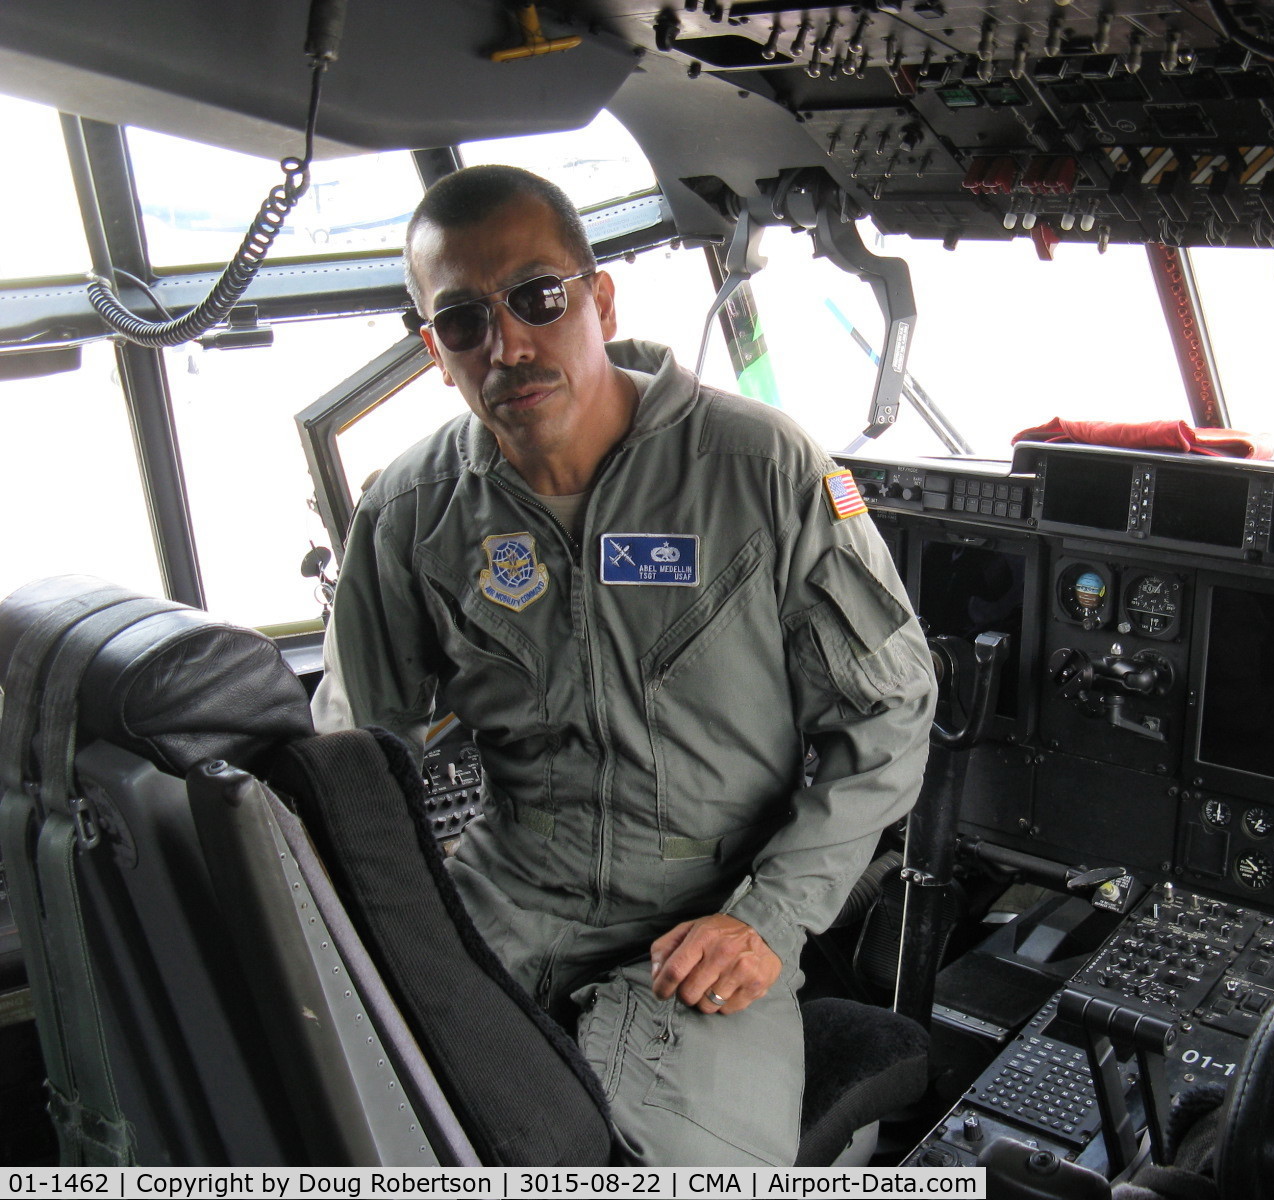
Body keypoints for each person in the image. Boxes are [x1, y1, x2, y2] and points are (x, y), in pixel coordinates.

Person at [312, 164, 936, 1166]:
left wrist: (768, 920)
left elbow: (888, 719)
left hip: (710, 924)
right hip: (506, 905)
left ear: (598, 299)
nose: (508, 343)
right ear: (436, 351)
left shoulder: (766, 469)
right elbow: (356, 761)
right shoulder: (409, 509)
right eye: (465, 321)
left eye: (537, 298)